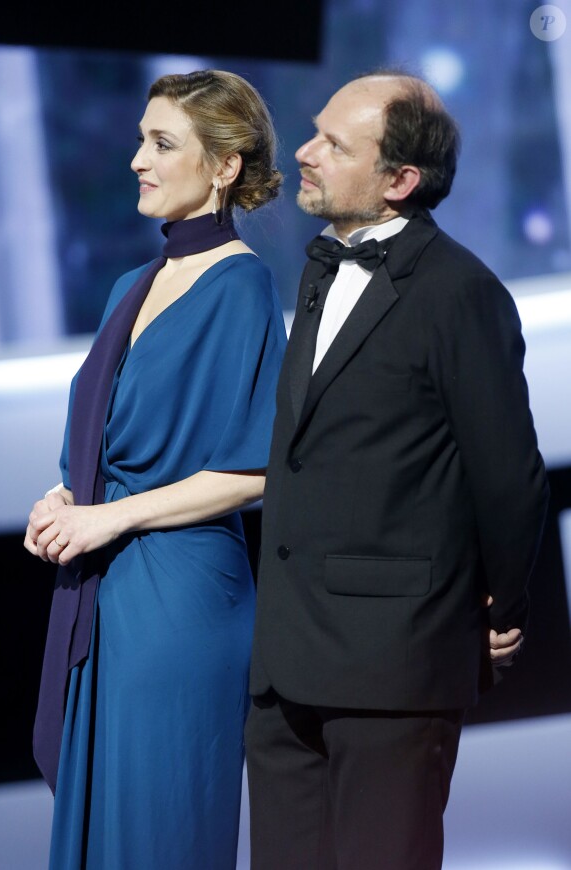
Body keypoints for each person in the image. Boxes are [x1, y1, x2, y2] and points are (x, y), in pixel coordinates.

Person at [244, 69, 549, 870]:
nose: (303, 152)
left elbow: (509, 476)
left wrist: (498, 609)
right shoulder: (319, 270)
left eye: (334, 145)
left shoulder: (460, 294)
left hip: (393, 666)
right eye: (315, 131)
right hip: (285, 665)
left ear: (399, 181)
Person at [24, 69, 287, 869]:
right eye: (142, 138)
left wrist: (110, 516)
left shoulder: (242, 286)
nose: (138, 159)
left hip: (181, 602)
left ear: (223, 166)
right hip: (105, 591)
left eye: (162, 143)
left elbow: (261, 471)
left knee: (160, 832)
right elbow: (104, 446)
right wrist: (66, 495)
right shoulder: (126, 289)